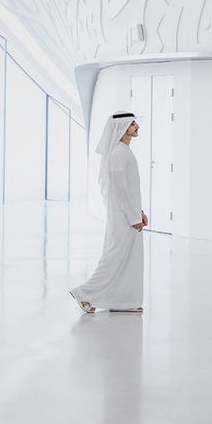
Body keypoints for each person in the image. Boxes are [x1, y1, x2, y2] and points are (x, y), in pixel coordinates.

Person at [70, 111, 148, 314]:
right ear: (121, 127)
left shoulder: (123, 151)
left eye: (135, 123)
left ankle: (124, 301)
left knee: (128, 259)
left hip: (128, 215)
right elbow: (119, 190)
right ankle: (84, 293)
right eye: (132, 124)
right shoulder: (118, 153)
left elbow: (128, 189)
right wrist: (133, 217)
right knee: (113, 258)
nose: (136, 126)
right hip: (123, 217)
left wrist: (139, 213)